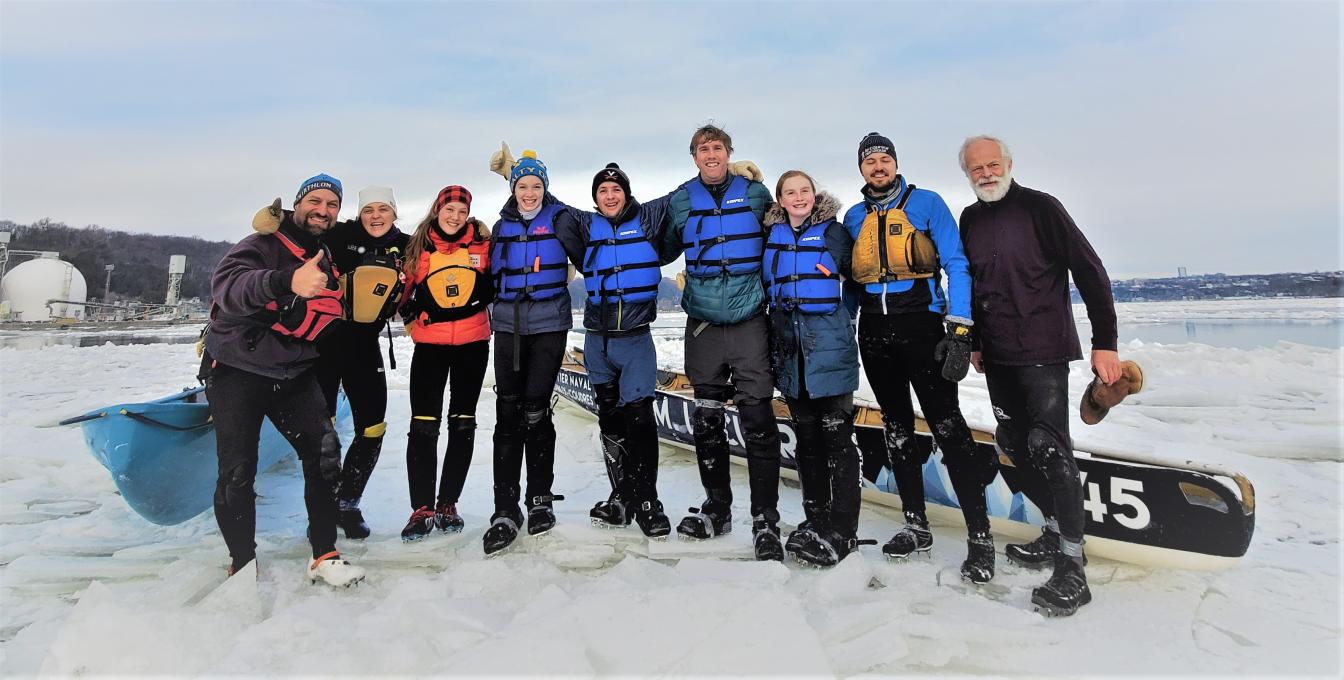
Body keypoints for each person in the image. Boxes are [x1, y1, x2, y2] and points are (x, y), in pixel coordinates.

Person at [957, 135, 1122, 615]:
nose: (985, 174)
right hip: (999, 354)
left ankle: (1073, 566)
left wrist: (1104, 342)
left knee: (1049, 447)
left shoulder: (1041, 208)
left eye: (992, 164)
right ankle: (1053, 528)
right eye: (975, 169)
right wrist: (979, 344)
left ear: (1009, 163)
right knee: (1013, 441)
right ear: (967, 174)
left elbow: (1091, 272)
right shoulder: (970, 218)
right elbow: (977, 282)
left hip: (1044, 349)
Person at [841, 132, 997, 583]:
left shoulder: (926, 202)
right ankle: (915, 524)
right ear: (861, 169)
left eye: (884, 159)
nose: (878, 167)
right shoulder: (853, 217)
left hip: (922, 326)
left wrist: (961, 325)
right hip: (873, 329)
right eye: (869, 161)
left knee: (948, 426)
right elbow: (852, 281)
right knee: (896, 428)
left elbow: (957, 263)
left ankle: (980, 538)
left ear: (895, 163)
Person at [204, 173, 364, 587]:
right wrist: (285, 281)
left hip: (293, 372)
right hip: (238, 370)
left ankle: (324, 554)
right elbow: (228, 287)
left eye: (332, 205)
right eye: (316, 201)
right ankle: (242, 560)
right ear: (298, 204)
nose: (323, 210)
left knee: (326, 453)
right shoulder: (261, 244)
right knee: (238, 469)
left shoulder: (325, 254)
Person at [251, 186, 411, 540]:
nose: (375, 216)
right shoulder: (341, 233)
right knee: (320, 435)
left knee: (373, 429)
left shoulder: (407, 244)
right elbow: (303, 228)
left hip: (365, 347)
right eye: (368, 209)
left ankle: (348, 502)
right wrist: (275, 220)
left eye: (384, 209)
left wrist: (478, 227)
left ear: (394, 213)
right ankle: (322, 510)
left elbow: (444, 239)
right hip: (322, 346)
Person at [660, 124, 784, 561]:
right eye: (702, 149)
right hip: (703, 324)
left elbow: (784, 233)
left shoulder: (754, 194)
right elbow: (657, 243)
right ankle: (717, 509)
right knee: (708, 419)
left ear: (729, 153)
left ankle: (766, 520)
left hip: (750, 317)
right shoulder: (679, 199)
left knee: (758, 420)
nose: (710, 154)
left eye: (717, 148)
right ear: (694, 157)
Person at [762, 171, 873, 567]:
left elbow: (858, 279)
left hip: (828, 348)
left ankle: (844, 531)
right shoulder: (771, 235)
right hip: (790, 353)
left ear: (814, 194)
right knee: (807, 442)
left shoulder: (834, 232)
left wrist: (844, 317)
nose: (798, 197)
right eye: (789, 192)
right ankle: (816, 519)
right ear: (779, 198)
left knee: (838, 442)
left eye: (804, 190)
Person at [567, 162, 674, 537]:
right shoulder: (583, 224)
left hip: (635, 340)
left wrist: (738, 179)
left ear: (625, 193)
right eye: (603, 191)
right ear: (595, 197)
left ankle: (647, 501)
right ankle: (621, 495)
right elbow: (545, 204)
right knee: (610, 420)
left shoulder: (647, 218)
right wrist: (514, 171)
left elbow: (686, 194)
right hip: (597, 339)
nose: (610, 196)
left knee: (640, 419)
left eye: (616, 189)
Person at [481, 150, 575, 555]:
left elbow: (607, 218)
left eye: (537, 186)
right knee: (508, 413)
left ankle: (539, 499)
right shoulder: (499, 227)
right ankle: (505, 509)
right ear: (514, 188)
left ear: (546, 189)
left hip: (549, 324)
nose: (530, 192)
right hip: (507, 327)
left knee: (537, 411)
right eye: (523, 185)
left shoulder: (561, 220)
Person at [398, 185, 494, 541]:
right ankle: (421, 507)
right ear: (437, 210)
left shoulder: (482, 244)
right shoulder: (418, 248)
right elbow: (402, 292)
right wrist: (409, 320)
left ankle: (448, 503)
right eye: (449, 209)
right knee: (423, 425)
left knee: (463, 423)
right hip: (431, 347)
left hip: (473, 343)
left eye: (461, 211)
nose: (455, 217)